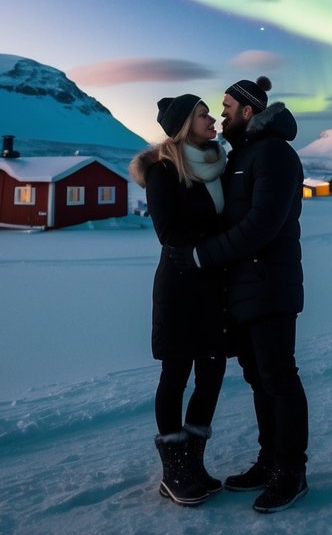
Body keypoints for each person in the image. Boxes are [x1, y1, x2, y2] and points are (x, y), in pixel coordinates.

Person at [169, 75, 309, 514]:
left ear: (247, 111)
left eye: (226, 105)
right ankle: (269, 462)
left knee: (279, 379)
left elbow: (260, 227)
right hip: (244, 290)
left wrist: (202, 256)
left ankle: (291, 472)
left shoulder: (274, 155)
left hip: (270, 286)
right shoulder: (243, 156)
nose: (220, 112)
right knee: (259, 380)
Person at [130, 93, 228, 506]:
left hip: (216, 286)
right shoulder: (162, 171)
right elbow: (168, 232)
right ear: (184, 124)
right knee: (176, 374)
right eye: (204, 115)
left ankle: (194, 463)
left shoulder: (217, 166)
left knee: (213, 372)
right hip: (181, 285)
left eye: (211, 114)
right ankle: (174, 472)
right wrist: (219, 247)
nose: (213, 122)